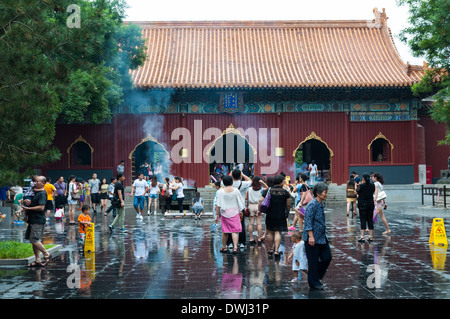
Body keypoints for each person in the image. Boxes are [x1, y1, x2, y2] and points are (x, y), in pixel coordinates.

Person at [303, 182, 332, 290]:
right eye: (325, 192)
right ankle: (313, 283)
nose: (326, 194)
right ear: (318, 193)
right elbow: (308, 221)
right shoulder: (312, 204)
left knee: (327, 257)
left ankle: (315, 275)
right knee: (313, 261)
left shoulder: (321, 204)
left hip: (321, 237)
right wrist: (311, 236)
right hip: (312, 238)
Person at [22, 176, 52, 267]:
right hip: (32, 219)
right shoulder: (34, 192)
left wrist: (28, 208)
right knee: (33, 240)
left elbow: (41, 207)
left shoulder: (42, 193)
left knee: (34, 239)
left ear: (43, 183)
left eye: (37, 182)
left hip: (38, 220)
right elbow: (30, 201)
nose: (35, 183)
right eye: (34, 181)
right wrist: (26, 201)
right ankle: (38, 260)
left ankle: (46, 254)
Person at [263, 174, 291, 258]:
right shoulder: (285, 192)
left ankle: (271, 249)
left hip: (270, 214)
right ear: (281, 182)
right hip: (281, 214)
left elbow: (261, 200)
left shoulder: (268, 190)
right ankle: (276, 251)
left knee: (271, 232)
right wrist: (287, 213)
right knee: (278, 232)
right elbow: (288, 205)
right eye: (283, 181)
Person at [215, 175, 246, 254]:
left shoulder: (221, 191)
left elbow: (218, 204)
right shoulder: (236, 190)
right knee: (235, 231)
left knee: (225, 231)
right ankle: (235, 248)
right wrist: (241, 210)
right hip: (234, 212)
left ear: (223, 183)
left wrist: (217, 214)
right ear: (232, 182)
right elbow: (240, 201)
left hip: (224, 213)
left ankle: (224, 247)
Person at [246, 176, 266, 245]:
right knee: (259, 223)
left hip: (251, 206)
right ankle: (259, 238)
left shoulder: (249, 189)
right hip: (258, 206)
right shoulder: (261, 189)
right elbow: (268, 189)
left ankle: (251, 238)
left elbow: (246, 198)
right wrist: (263, 182)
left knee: (251, 223)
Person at [356, 174, 375, 243]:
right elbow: (372, 192)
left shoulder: (360, 186)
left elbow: (357, 192)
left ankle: (362, 237)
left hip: (362, 204)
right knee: (370, 220)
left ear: (363, 178)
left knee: (363, 220)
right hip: (370, 204)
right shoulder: (372, 185)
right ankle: (371, 237)